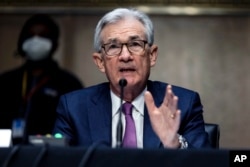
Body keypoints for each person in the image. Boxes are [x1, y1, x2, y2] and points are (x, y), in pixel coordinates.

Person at [53, 8, 211, 149]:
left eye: (135, 44)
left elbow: (207, 163)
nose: (125, 56)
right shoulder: (73, 108)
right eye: (113, 47)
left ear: (152, 55)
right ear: (100, 62)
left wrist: (174, 143)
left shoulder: (184, 104)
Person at [0, 14, 84, 142]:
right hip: (7, 156)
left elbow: (77, 129)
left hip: (51, 157)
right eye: (30, 35)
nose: (35, 40)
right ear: (22, 41)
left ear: (54, 44)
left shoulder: (68, 83)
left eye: (43, 35)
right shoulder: (5, 81)